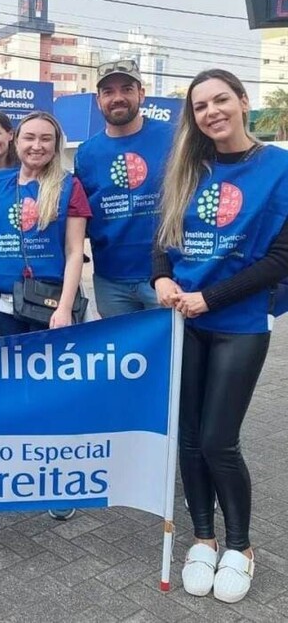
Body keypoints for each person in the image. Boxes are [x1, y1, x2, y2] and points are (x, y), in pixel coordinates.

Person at [153, 69, 288, 604]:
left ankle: (240, 545)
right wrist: (161, 277)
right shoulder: (187, 166)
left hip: (240, 325)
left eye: (220, 100)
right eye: (200, 106)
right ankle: (203, 538)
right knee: (188, 439)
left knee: (218, 440)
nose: (211, 112)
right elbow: (163, 240)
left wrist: (211, 297)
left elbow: (280, 259)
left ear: (243, 101)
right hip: (185, 323)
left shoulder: (279, 167)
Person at [0, 111, 91, 521]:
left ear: (56, 144)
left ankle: (61, 480)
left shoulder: (68, 186)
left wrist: (64, 308)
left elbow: (75, 252)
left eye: (46, 139)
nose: (36, 146)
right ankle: (25, 467)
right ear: (16, 140)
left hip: (49, 306)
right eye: (29, 138)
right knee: (16, 386)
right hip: (7, 304)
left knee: (54, 391)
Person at [75, 60, 173, 318]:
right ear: (98, 100)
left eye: (127, 89)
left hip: (166, 277)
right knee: (119, 346)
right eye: (108, 92)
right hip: (110, 282)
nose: (117, 98)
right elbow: (79, 215)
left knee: (171, 345)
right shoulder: (86, 154)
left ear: (142, 93)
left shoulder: (174, 138)